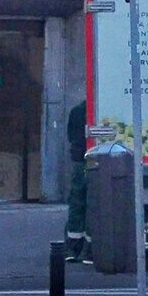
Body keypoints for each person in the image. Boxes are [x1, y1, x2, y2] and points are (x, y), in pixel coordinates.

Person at [64, 102, 90, 262]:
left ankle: (72, 249)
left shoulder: (77, 110)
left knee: (77, 202)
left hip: (79, 159)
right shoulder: (100, 108)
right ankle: (90, 251)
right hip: (96, 159)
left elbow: (71, 136)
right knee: (95, 203)